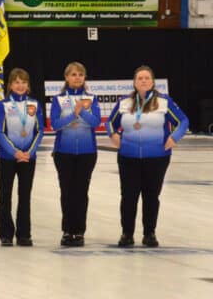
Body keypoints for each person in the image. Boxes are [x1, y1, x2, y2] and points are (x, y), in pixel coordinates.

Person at [107, 65, 189, 248]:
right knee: (129, 196)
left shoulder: (164, 102)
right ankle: (127, 234)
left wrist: (174, 137)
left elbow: (183, 121)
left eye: (147, 78)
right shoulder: (124, 102)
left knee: (151, 196)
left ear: (152, 82)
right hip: (128, 157)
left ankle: (149, 234)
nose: (143, 81)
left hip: (157, 158)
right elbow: (110, 123)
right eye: (140, 78)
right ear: (135, 83)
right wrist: (113, 135)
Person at [51, 61, 101, 247]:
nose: (77, 77)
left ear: (84, 77)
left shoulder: (92, 99)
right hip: (63, 153)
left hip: (87, 153)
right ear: (66, 77)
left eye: (80, 74)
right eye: (73, 74)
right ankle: (66, 230)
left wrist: (82, 113)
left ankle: (79, 231)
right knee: (66, 192)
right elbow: (55, 124)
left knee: (81, 192)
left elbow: (96, 122)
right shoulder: (58, 99)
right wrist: (74, 114)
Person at [0, 68, 45, 247]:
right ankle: (5, 234)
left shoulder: (35, 104)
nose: (20, 85)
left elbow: (40, 130)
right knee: (5, 195)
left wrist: (29, 152)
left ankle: (24, 234)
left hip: (28, 159)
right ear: (10, 85)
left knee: (25, 196)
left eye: (23, 82)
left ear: (28, 85)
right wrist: (14, 151)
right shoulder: (3, 105)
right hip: (7, 157)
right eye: (16, 82)